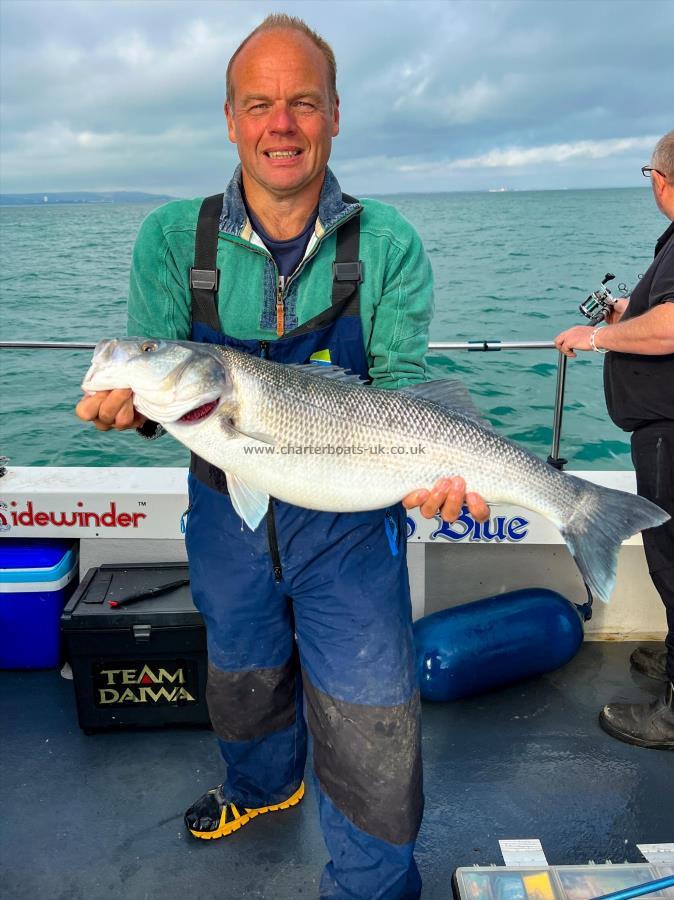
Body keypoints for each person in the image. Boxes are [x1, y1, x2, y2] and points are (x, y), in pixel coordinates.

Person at [76, 15, 489, 898]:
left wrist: (438, 481)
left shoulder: (388, 244)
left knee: (371, 719)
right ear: (230, 118)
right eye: (259, 103)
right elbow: (160, 385)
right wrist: (137, 406)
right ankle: (263, 787)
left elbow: (407, 391)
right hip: (227, 513)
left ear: (334, 113)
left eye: (302, 102)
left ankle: (373, 885)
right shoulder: (168, 240)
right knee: (243, 676)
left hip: (350, 525)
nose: (281, 124)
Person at [554, 130, 674, 751]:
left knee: (673, 560)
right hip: (663, 429)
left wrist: (596, 337)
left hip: (670, 431)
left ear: (661, 178)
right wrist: (632, 308)